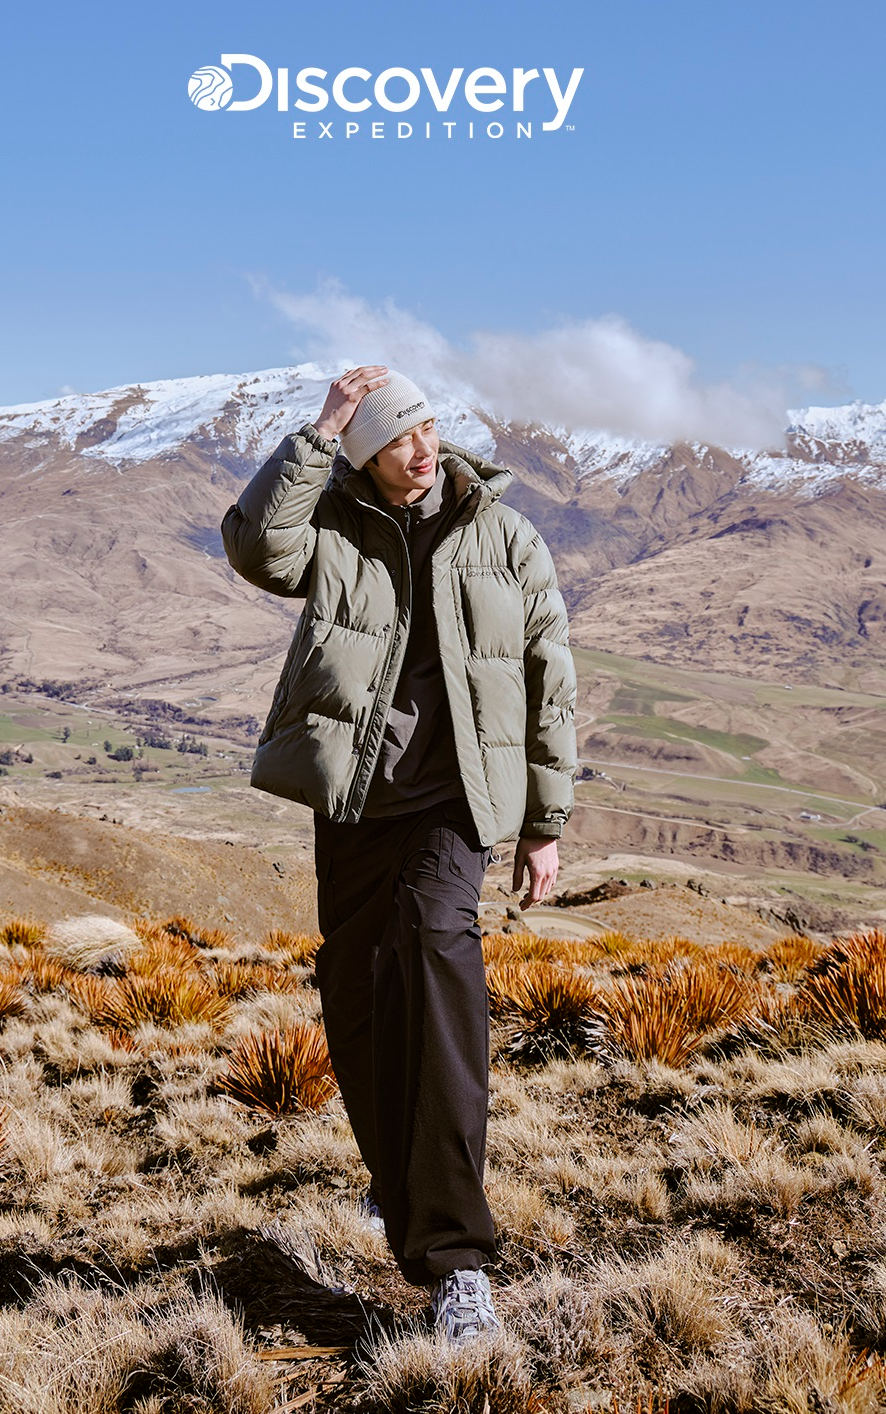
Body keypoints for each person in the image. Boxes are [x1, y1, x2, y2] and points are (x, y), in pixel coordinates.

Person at [221, 365, 576, 1343]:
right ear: (361, 452)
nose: (420, 450)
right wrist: (318, 428)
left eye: (425, 430)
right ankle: (397, 1185)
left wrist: (544, 819)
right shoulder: (332, 524)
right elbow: (255, 545)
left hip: (453, 806)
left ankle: (456, 1259)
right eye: (393, 437)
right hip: (356, 805)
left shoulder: (500, 534)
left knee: (436, 950)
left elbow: (551, 673)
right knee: (359, 991)